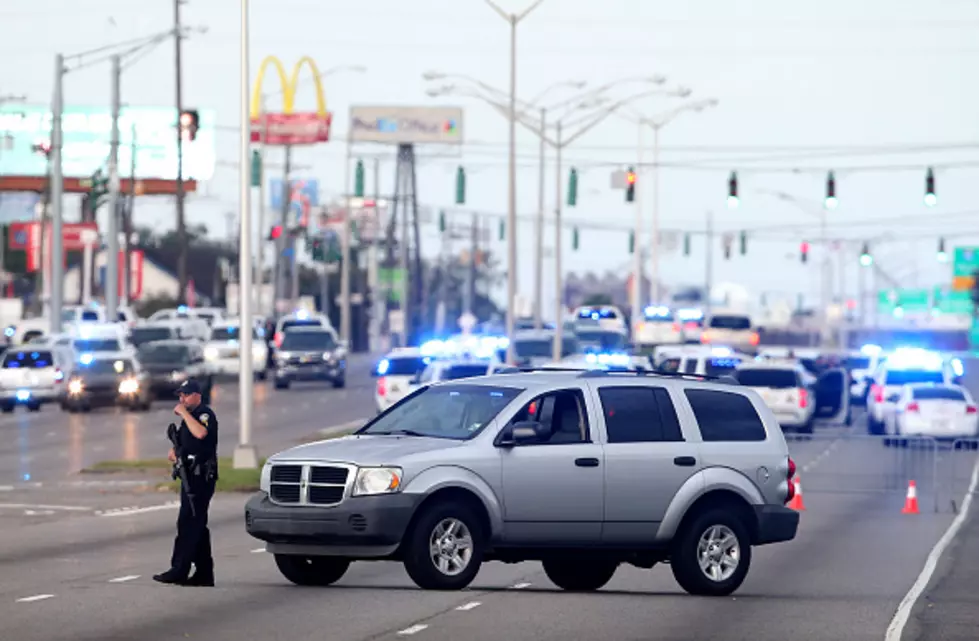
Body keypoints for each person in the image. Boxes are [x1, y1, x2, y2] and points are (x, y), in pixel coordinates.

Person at [153, 378, 219, 586]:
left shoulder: (204, 414)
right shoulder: (189, 418)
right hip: (189, 475)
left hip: (201, 477)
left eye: (186, 395)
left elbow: (201, 433)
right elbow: (186, 443)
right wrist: (176, 452)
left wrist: (183, 412)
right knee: (197, 524)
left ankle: (179, 569)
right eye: (180, 395)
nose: (182, 399)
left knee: (189, 522)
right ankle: (204, 573)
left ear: (197, 395)